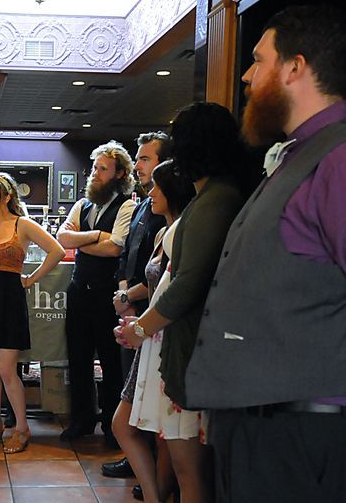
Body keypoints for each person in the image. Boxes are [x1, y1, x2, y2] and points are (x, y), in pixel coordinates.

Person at [186, 5, 346, 503]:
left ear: (295, 68)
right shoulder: (299, 153)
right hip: (264, 426)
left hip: (301, 432)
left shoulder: (338, 159)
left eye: (258, 60)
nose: (247, 75)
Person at [117, 102, 255, 503]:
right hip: (183, 341)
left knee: (190, 470)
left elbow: (189, 281)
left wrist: (141, 328)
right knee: (181, 463)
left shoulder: (216, 199)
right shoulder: (212, 196)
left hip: (194, 346)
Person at [0, 171, 64, 453]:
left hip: (8, 297)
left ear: (6, 197)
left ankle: (22, 427)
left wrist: (31, 279)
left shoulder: (23, 224)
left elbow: (56, 250)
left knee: (7, 369)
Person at [121, 161, 195, 503]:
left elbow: (177, 292)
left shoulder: (183, 230)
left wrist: (140, 325)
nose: (149, 193)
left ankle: (157, 495)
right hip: (151, 336)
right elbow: (157, 290)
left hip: (163, 338)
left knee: (152, 433)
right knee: (152, 431)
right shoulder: (164, 232)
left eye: (156, 187)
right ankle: (156, 494)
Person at [56, 140, 136, 446]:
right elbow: (63, 238)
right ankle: (82, 419)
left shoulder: (127, 205)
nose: (95, 173)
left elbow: (115, 247)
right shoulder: (82, 204)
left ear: (118, 174)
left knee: (111, 362)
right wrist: (95, 236)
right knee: (77, 359)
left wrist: (83, 241)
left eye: (102, 169)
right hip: (79, 291)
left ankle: (112, 426)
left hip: (106, 294)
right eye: (94, 168)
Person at [102, 133, 170, 485]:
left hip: (154, 310)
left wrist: (133, 299)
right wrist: (123, 291)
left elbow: (163, 269)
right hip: (133, 301)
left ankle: (154, 471)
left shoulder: (167, 208)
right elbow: (130, 253)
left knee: (145, 396)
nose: (139, 164)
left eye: (145, 158)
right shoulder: (144, 202)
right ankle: (138, 461)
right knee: (133, 385)